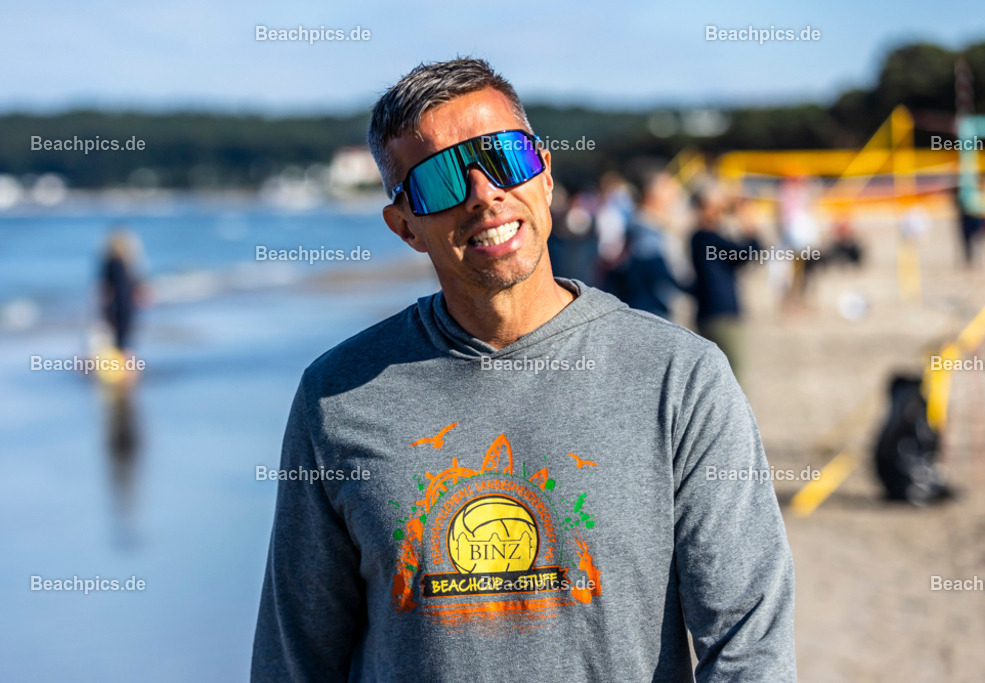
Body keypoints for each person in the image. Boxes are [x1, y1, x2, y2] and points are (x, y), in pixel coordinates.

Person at [252, 58, 795, 682]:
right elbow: (294, 657)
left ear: (545, 176)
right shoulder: (337, 396)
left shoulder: (680, 377)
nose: (484, 194)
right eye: (442, 179)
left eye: (505, 158)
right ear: (405, 226)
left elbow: (750, 639)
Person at [689, 187, 760, 382]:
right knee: (734, 374)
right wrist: (748, 221)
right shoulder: (705, 238)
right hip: (721, 313)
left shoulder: (702, 238)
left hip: (710, 311)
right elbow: (747, 252)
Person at [603, 167, 687, 319]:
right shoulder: (646, 231)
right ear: (651, 194)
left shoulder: (650, 226)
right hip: (653, 312)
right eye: (668, 187)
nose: (676, 193)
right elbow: (657, 278)